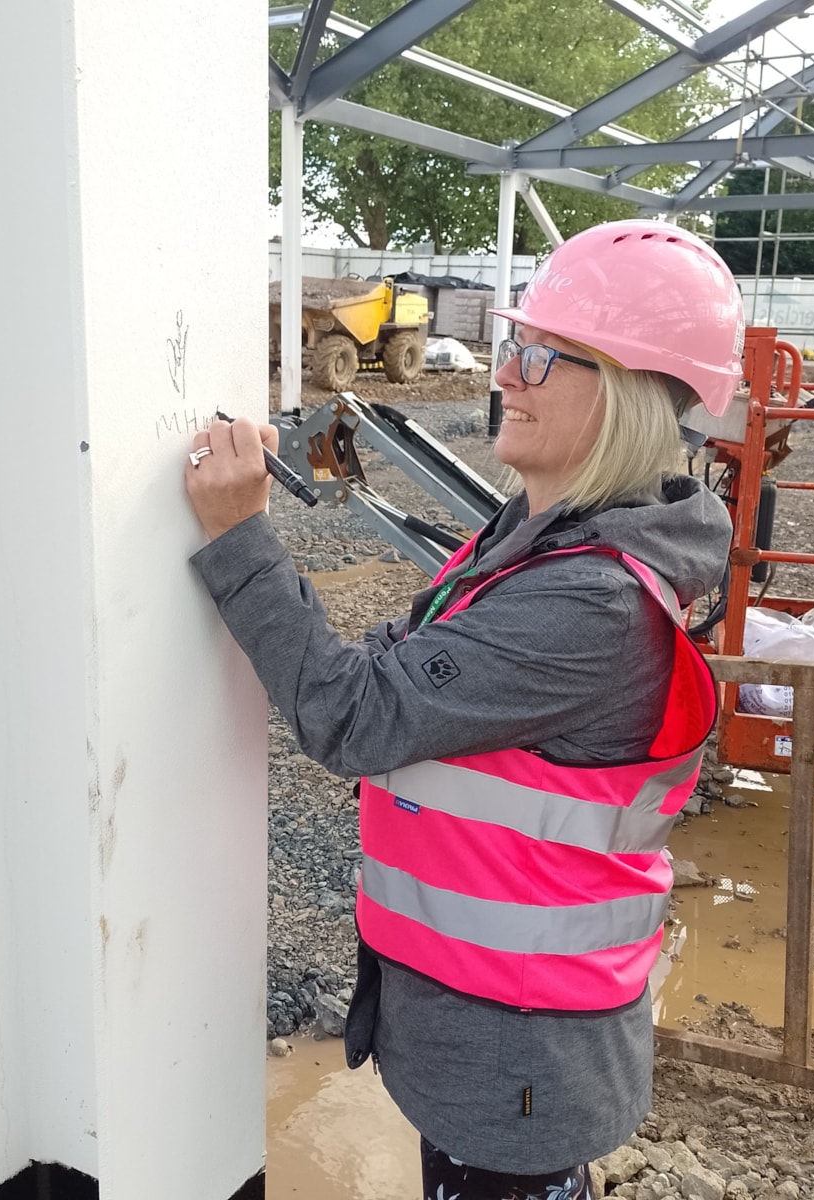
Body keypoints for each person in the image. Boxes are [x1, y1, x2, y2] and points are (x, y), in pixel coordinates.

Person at [185, 218, 745, 1200]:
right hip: (482, 1032)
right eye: (509, 346)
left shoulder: (593, 603)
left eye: (538, 353)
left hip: (522, 1063)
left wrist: (239, 538)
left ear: (620, 394)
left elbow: (354, 716)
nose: (508, 375)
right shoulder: (538, 533)